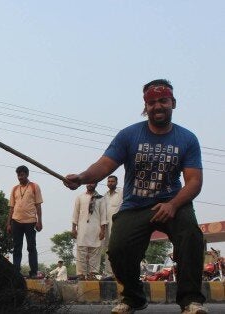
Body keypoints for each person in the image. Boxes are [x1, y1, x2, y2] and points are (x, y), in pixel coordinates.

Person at [64, 79, 207, 314]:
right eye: (152, 102)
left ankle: (191, 300)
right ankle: (133, 297)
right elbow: (104, 165)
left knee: (191, 236)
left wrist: (172, 205)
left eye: (163, 100)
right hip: (136, 205)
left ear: (173, 102)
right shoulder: (129, 135)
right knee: (118, 248)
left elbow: (194, 181)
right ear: (145, 106)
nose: (157, 106)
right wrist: (81, 177)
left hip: (173, 203)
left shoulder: (187, 139)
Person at [6, 165, 43, 278]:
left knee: (31, 247)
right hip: (16, 221)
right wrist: (8, 223)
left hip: (30, 221)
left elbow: (38, 205)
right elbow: (11, 207)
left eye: (22, 175)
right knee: (17, 247)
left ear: (27, 174)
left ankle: (33, 272)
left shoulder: (34, 187)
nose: (20, 177)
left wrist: (39, 221)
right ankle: (16, 272)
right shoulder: (15, 189)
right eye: (18, 175)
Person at [72, 183, 107, 280]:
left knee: (95, 252)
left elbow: (103, 215)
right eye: (88, 182)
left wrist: (103, 230)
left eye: (92, 183)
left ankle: (93, 274)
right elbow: (75, 214)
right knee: (81, 251)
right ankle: (81, 274)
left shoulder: (101, 198)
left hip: (96, 228)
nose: (90, 184)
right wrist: (73, 228)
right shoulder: (80, 197)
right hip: (82, 228)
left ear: (96, 184)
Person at [102, 175, 122, 280]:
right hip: (106, 226)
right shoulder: (104, 196)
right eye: (109, 181)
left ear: (116, 182)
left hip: (118, 225)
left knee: (118, 249)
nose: (110, 183)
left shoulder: (121, 194)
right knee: (108, 250)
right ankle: (109, 273)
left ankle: (119, 272)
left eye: (112, 181)